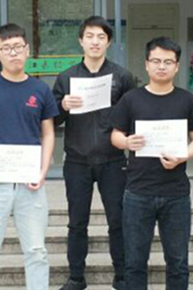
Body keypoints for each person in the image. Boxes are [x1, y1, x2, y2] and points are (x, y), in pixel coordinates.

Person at [110, 37, 193, 290]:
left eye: (168, 62)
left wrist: (183, 156)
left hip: (176, 193)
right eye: (156, 61)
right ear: (146, 64)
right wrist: (127, 142)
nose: (161, 66)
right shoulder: (131, 99)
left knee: (178, 262)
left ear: (176, 66)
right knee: (134, 262)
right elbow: (115, 135)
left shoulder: (187, 100)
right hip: (138, 192)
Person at [0, 23, 58, 290]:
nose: (13, 53)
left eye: (18, 47)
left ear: (27, 50)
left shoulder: (40, 89)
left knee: (37, 252)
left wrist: (43, 171)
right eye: (6, 48)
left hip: (31, 185)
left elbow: (48, 133)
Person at [53, 16, 135, 290]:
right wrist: (63, 105)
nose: (95, 42)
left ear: (108, 42)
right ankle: (76, 277)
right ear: (81, 41)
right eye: (89, 36)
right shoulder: (66, 77)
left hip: (113, 160)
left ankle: (122, 276)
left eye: (101, 37)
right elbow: (52, 120)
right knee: (77, 222)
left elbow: (133, 115)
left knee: (118, 220)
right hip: (77, 161)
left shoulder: (122, 77)